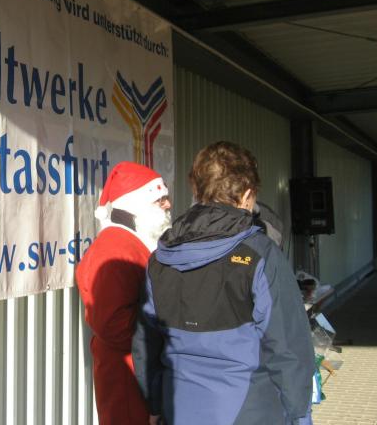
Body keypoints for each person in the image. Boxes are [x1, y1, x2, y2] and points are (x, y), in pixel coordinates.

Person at [132, 141, 313, 425]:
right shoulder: (261, 254)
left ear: (196, 190)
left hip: (177, 409)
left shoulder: (159, 259)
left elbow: (146, 343)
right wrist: (300, 416)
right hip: (250, 412)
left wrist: (154, 405)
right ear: (247, 195)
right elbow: (288, 347)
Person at [75, 161, 171, 425]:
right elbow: (111, 323)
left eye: (166, 198)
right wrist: (161, 331)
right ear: (135, 205)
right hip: (127, 379)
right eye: (159, 200)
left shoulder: (134, 241)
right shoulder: (113, 249)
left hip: (140, 373)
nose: (168, 205)